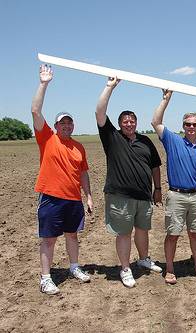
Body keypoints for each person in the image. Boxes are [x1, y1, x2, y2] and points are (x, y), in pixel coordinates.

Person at [32, 65, 93, 295]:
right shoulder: (47, 138)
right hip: (51, 197)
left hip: (73, 199)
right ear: (56, 126)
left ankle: (74, 268)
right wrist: (44, 83)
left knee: (73, 235)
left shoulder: (78, 147)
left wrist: (88, 196)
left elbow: (84, 173)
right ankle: (46, 278)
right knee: (49, 239)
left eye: (70, 123)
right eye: (62, 123)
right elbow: (36, 111)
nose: (66, 125)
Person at [96, 77, 163, 288]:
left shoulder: (145, 141)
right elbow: (99, 113)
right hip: (120, 196)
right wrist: (109, 87)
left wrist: (158, 189)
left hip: (144, 196)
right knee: (124, 233)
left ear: (136, 122)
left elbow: (155, 166)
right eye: (125, 121)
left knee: (143, 230)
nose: (129, 123)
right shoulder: (112, 137)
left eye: (132, 120)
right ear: (119, 124)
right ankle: (125, 269)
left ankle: (143, 259)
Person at [151, 89, 196, 284]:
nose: (191, 127)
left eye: (194, 124)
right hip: (176, 196)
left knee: (195, 234)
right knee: (173, 234)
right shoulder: (173, 141)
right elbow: (156, 122)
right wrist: (165, 99)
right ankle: (169, 269)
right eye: (188, 124)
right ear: (183, 126)